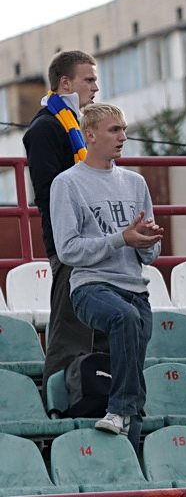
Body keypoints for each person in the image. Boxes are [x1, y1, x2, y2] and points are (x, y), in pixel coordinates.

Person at [50, 103, 162, 450]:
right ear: (90, 135)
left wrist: (147, 241)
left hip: (136, 288)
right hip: (91, 286)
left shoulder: (135, 182)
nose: (123, 137)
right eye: (115, 130)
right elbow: (68, 250)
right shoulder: (67, 183)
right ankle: (119, 410)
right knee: (124, 318)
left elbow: (150, 255)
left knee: (134, 378)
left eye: (124, 129)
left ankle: (131, 455)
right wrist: (121, 238)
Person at [22, 50, 108, 399]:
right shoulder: (46, 128)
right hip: (70, 243)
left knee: (100, 327)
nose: (96, 87)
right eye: (89, 79)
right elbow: (49, 194)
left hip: (96, 241)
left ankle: (95, 396)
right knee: (69, 329)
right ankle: (56, 402)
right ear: (65, 83)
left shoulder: (76, 125)